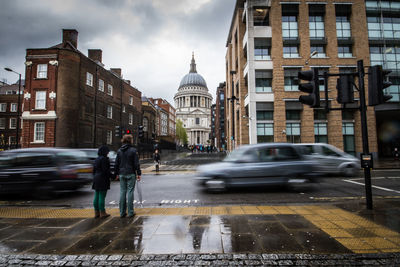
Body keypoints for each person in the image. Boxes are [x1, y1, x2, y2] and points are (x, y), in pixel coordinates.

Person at [115, 134, 142, 218]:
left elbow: (116, 164)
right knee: (130, 192)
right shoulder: (133, 150)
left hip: (122, 173)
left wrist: (116, 174)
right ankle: (130, 212)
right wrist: (139, 173)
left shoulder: (119, 151)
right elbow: (136, 163)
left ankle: (122, 212)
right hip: (131, 173)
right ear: (130, 140)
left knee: (122, 191)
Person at [92, 145, 112, 219]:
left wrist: (95, 176)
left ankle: (96, 212)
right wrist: (112, 176)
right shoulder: (104, 159)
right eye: (107, 151)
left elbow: (93, 170)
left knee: (96, 195)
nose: (108, 152)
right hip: (102, 179)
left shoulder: (96, 159)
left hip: (96, 178)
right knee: (102, 196)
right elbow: (106, 170)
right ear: (105, 152)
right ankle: (102, 212)